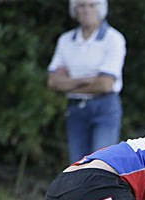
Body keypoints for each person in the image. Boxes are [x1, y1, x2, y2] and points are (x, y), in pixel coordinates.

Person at [48, 0, 126, 163]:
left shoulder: (113, 39)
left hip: (104, 108)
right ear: (75, 10)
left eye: (92, 5)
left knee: (102, 165)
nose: (86, 10)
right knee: (78, 167)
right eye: (81, 6)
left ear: (101, 8)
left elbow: (105, 85)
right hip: (75, 109)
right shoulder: (66, 40)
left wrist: (69, 83)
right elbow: (53, 81)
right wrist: (87, 80)